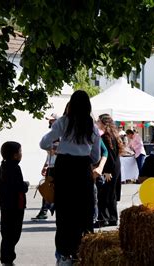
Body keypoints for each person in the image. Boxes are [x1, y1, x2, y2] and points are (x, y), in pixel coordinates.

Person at [40, 90, 101, 265]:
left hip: (65, 168)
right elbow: (95, 157)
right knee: (84, 210)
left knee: (65, 213)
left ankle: (64, 255)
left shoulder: (63, 122)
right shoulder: (92, 127)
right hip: (82, 169)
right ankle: (83, 252)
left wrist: (56, 146)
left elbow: (43, 143)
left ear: (71, 104)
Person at [0, 141, 29, 265]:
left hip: (6, 206)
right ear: (15, 155)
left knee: (7, 234)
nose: (21, 154)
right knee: (13, 234)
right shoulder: (14, 167)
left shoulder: (3, 166)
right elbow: (17, 186)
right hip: (15, 206)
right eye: (20, 152)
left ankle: (7, 259)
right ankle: (7, 260)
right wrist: (25, 185)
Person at [96, 114, 124, 227]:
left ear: (104, 123)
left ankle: (103, 219)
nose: (97, 123)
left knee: (104, 193)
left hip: (109, 168)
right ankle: (112, 218)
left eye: (98, 121)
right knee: (111, 193)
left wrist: (106, 171)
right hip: (115, 166)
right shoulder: (114, 135)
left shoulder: (105, 137)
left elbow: (109, 155)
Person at [32, 113, 59, 220]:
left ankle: (45, 210)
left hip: (58, 166)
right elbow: (49, 153)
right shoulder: (52, 135)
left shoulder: (61, 135)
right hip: (51, 166)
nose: (50, 122)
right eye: (50, 121)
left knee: (50, 189)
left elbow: (58, 151)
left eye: (52, 120)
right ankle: (44, 210)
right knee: (47, 188)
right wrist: (45, 165)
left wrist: (55, 151)